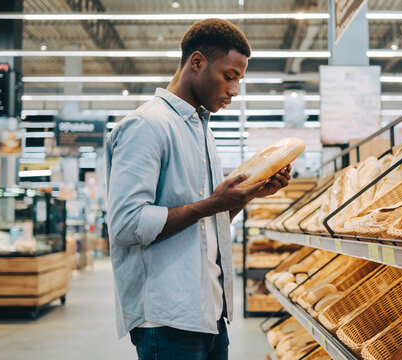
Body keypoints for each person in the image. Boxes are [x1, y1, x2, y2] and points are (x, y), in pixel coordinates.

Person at [105, 18, 292, 360]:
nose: (234, 91)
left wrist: (246, 195)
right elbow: (126, 225)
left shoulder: (201, 130)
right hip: (167, 319)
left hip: (209, 313)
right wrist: (212, 203)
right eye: (229, 76)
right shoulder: (146, 126)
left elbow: (206, 224)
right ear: (197, 62)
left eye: (239, 80)